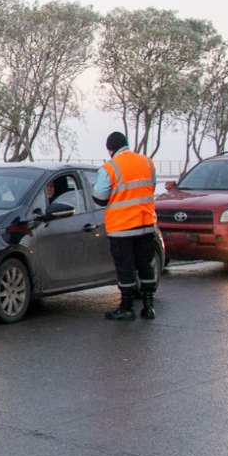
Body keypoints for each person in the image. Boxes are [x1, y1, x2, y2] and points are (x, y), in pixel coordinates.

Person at [91, 132, 158, 321]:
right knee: (146, 265)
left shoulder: (110, 168)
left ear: (110, 149)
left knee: (125, 267)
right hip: (146, 224)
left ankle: (127, 308)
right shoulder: (147, 162)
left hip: (122, 227)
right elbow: (151, 187)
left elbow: (100, 198)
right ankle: (148, 306)